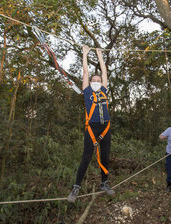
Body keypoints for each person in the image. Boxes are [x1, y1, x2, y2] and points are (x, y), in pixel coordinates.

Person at [67, 45, 114, 203]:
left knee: (106, 156)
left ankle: (104, 183)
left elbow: (105, 72)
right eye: (93, 80)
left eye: (98, 80)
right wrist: (85, 53)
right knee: (86, 158)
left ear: (101, 83)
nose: (95, 82)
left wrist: (100, 55)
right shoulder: (87, 92)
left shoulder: (104, 91)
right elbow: (85, 72)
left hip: (105, 127)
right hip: (92, 128)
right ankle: (76, 187)